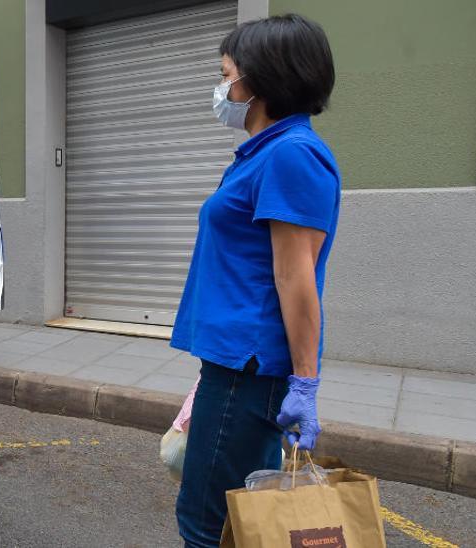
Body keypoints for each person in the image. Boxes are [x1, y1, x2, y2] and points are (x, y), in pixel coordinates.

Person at [170, 14, 340, 547]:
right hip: (232, 362)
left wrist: (305, 384)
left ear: (260, 80)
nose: (222, 88)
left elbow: (296, 280)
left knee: (207, 523)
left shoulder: (291, 156)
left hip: (248, 368)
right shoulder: (264, 154)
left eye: (226, 74)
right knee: (232, 521)